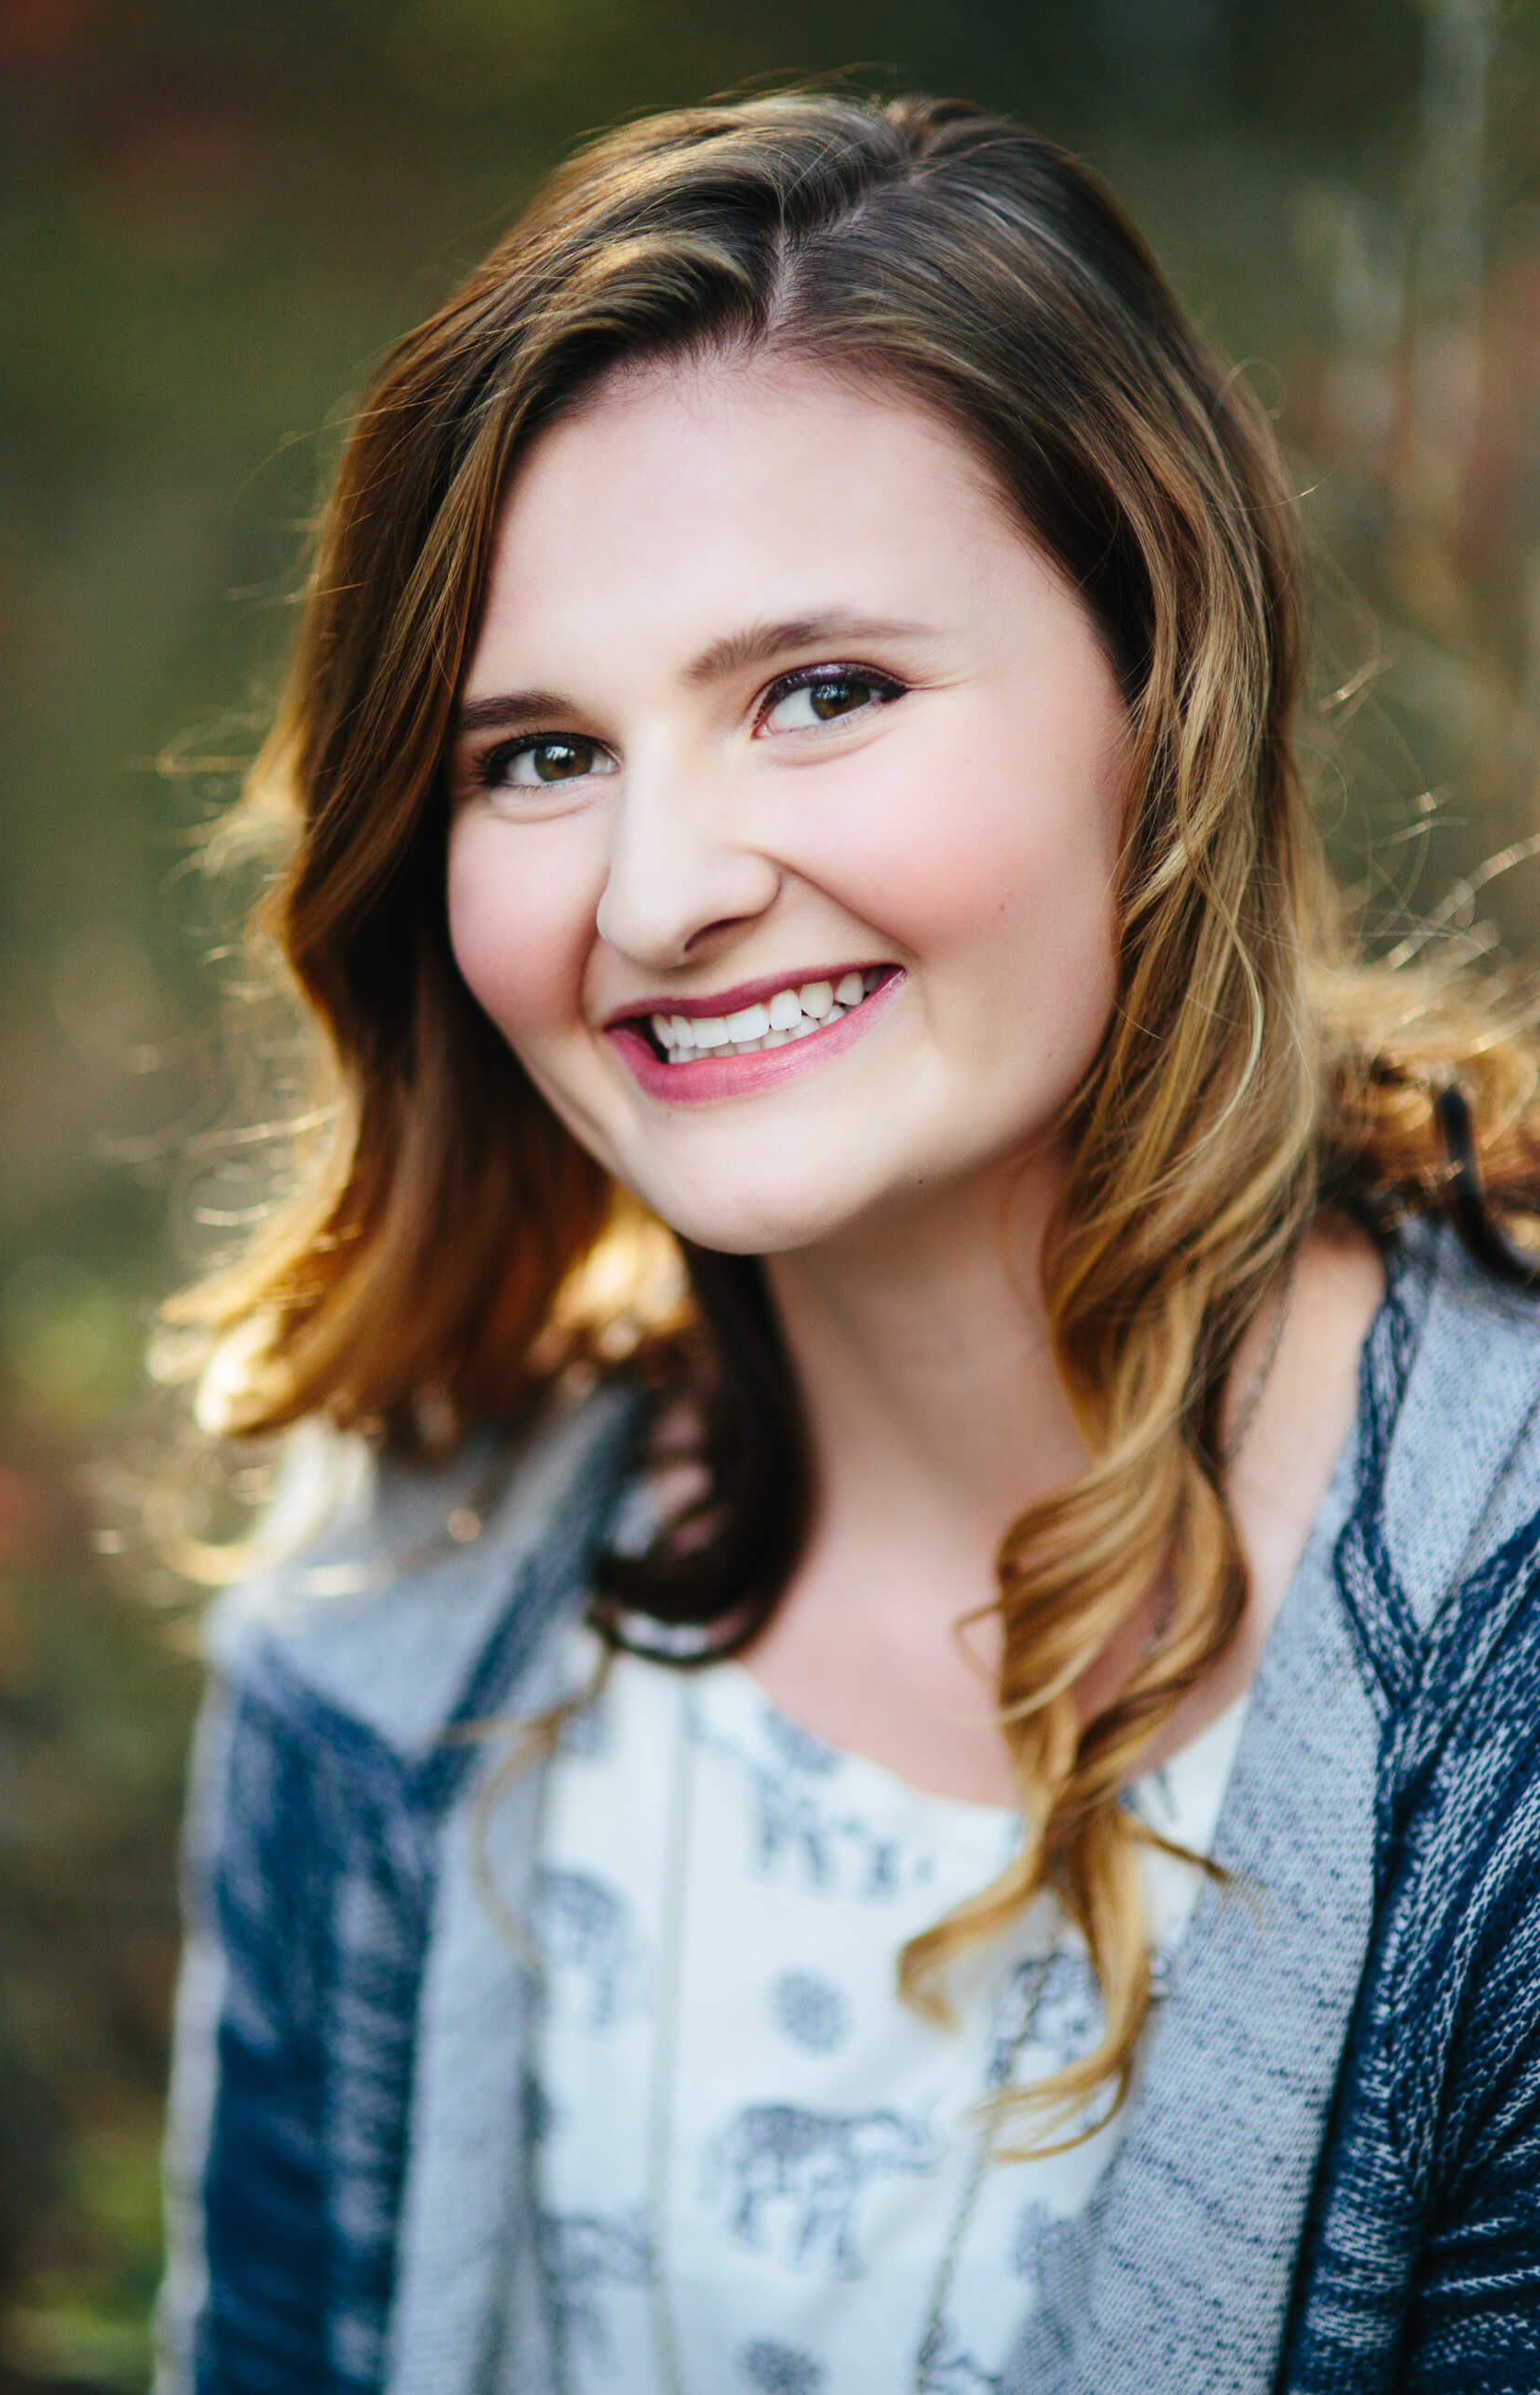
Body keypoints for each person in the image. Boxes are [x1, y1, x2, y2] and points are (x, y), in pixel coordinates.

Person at [152, 91, 1540, 2395]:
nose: (660, 890)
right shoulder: (399, 1612)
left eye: (824, 693)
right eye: (535, 754)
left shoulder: (1497, 1686)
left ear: (1159, 695)